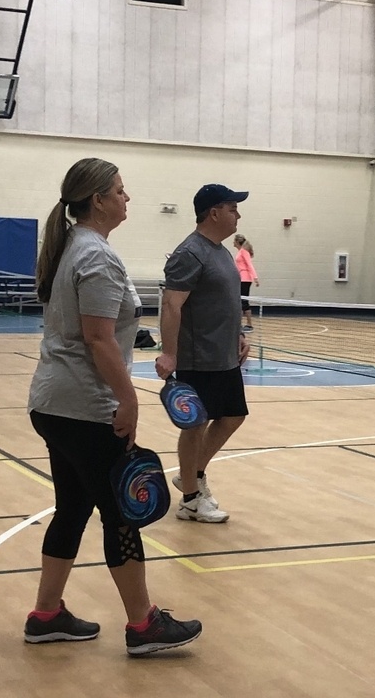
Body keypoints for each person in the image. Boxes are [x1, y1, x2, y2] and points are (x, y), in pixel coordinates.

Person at [25, 157, 201, 656]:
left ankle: (46, 614)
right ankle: (143, 625)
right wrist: (128, 399)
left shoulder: (74, 249)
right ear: (98, 199)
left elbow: (101, 332)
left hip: (54, 404)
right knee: (121, 513)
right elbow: (98, 339)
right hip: (85, 406)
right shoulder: (97, 257)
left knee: (74, 507)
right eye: (121, 191)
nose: (128, 199)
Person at [155, 184, 252, 524]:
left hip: (223, 355)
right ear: (213, 213)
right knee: (196, 425)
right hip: (198, 356)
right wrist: (169, 354)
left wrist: (239, 333)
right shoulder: (190, 253)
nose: (237, 214)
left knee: (233, 415)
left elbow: (223, 299)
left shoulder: (221, 251)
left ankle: (191, 473)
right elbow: (171, 305)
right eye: (231, 208)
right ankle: (192, 499)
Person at [233, 233, 258, 331]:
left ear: (237, 242)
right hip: (241, 278)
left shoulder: (244, 252)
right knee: (240, 300)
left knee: (244, 301)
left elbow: (249, 264)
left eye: (234, 241)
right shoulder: (240, 251)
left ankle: (249, 324)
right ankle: (240, 324)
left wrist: (255, 277)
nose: (233, 243)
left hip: (245, 279)